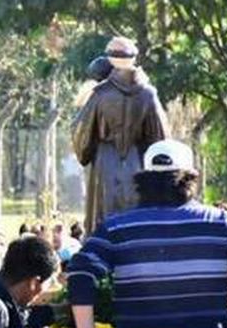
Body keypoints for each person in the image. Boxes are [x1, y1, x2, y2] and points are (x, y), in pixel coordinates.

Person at [69, 139, 227, 328]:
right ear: (191, 179)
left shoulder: (116, 228)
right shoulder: (223, 223)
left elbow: (80, 271)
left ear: (144, 179)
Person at [72, 36, 170, 230]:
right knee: (138, 229)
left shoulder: (100, 94)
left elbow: (81, 139)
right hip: (139, 167)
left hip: (104, 166)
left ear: (110, 60)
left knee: (105, 228)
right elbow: (162, 142)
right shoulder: (149, 94)